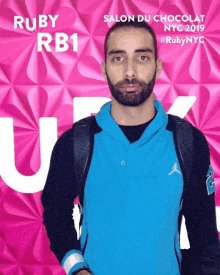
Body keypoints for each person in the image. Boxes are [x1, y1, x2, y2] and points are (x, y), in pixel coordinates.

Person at [41, 18, 220, 275]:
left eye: (142, 57)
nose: (129, 71)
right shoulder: (76, 142)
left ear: (158, 68)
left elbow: (205, 240)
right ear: (104, 69)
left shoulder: (188, 141)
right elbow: (55, 213)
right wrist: (77, 268)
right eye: (118, 58)